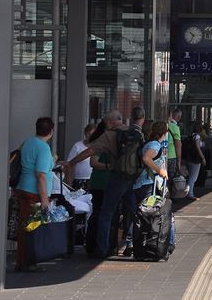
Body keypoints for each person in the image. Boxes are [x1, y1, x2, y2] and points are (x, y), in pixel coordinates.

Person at [65, 106, 145, 258]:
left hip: (117, 177)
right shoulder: (134, 133)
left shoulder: (110, 135)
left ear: (110, 122)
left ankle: (102, 248)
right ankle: (136, 244)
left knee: (106, 213)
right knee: (133, 211)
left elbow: (90, 151)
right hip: (132, 177)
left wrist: (71, 162)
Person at [14, 117, 56, 272]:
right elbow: (41, 175)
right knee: (32, 229)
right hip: (34, 193)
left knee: (23, 227)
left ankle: (22, 261)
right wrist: (45, 199)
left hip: (22, 188)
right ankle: (28, 263)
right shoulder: (44, 148)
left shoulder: (27, 142)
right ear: (51, 131)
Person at [134, 120, 175, 256]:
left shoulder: (148, 143)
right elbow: (147, 159)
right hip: (148, 184)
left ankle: (140, 242)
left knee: (141, 214)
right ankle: (163, 244)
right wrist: (160, 170)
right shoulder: (155, 145)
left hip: (140, 183)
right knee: (151, 214)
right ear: (164, 133)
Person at [83, 119, 113, 255]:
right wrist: (108, 166)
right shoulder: (100, 144)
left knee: (101, 215)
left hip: (105, 184)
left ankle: (97, 244)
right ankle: (96, 245)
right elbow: (93, 162)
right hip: (100, 184)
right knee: (100, 215)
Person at [65, 123, 96, 191]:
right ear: (85, 134)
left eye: (93, 135)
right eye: (89, 134)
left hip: (93, 181)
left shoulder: (98, 147)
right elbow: (69, 164)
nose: (90, 137)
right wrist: (68, 184)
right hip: (79, 181)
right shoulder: (77, 146)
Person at [183, 122, 206, 200]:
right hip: (195, 159)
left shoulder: (191, 136)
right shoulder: (197, 137)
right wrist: (202, 158)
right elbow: (198, 148)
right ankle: (190, 193)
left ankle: (188, 192)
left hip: (189, 158)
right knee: (193, 177)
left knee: (191, 176)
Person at [167, 108, 183, 179]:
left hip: (162, 156)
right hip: (172, 156)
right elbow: (178, 146)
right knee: (172, 179)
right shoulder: (175, 127)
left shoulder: (164, 125)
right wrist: (179, 161)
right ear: (179, 117)